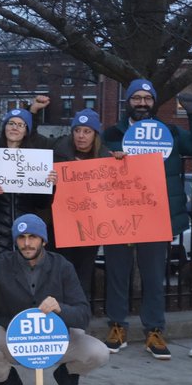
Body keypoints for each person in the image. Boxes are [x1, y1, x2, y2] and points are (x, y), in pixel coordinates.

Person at [100, 80, 192, 360]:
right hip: (120, 216)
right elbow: (94, 161)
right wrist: (109, 157)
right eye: (136, 98)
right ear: (128, 102)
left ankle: (154, 330)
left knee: (153, 278)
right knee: (117, 275)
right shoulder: (113, 133)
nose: (141, 103)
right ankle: (117, 326)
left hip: (155, 216)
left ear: (154, 102)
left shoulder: (171, 132)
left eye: (146, 98)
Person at [0, 214, 109, 385]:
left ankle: (67, 375)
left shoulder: (62, 266)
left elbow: (83, 315)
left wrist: (60, 308)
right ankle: (7, 380)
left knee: (99, 352)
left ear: (43, 240)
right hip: (15, 340)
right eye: (21, 238)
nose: (27, 243)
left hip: (56, 341)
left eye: (33, 237)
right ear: (15, 241)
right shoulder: (0, 265)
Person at [0, 108, 53, 256]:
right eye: (11, 123)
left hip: (26, 233)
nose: (15, 127)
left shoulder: (36, 160)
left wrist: (51, 184)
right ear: (5, 127)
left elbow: (42, 204)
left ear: (26, 131)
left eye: (21, 125)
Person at [49, 109, 113, 297]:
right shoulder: (57, 153)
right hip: (60, 226)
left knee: (83, 275)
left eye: (87, 131)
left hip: (90, 229)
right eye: (77, 130)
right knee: (59, 274)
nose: (81, 136)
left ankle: (79, 319)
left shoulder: (105, 158)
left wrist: (119, 162)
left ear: (95, 134)